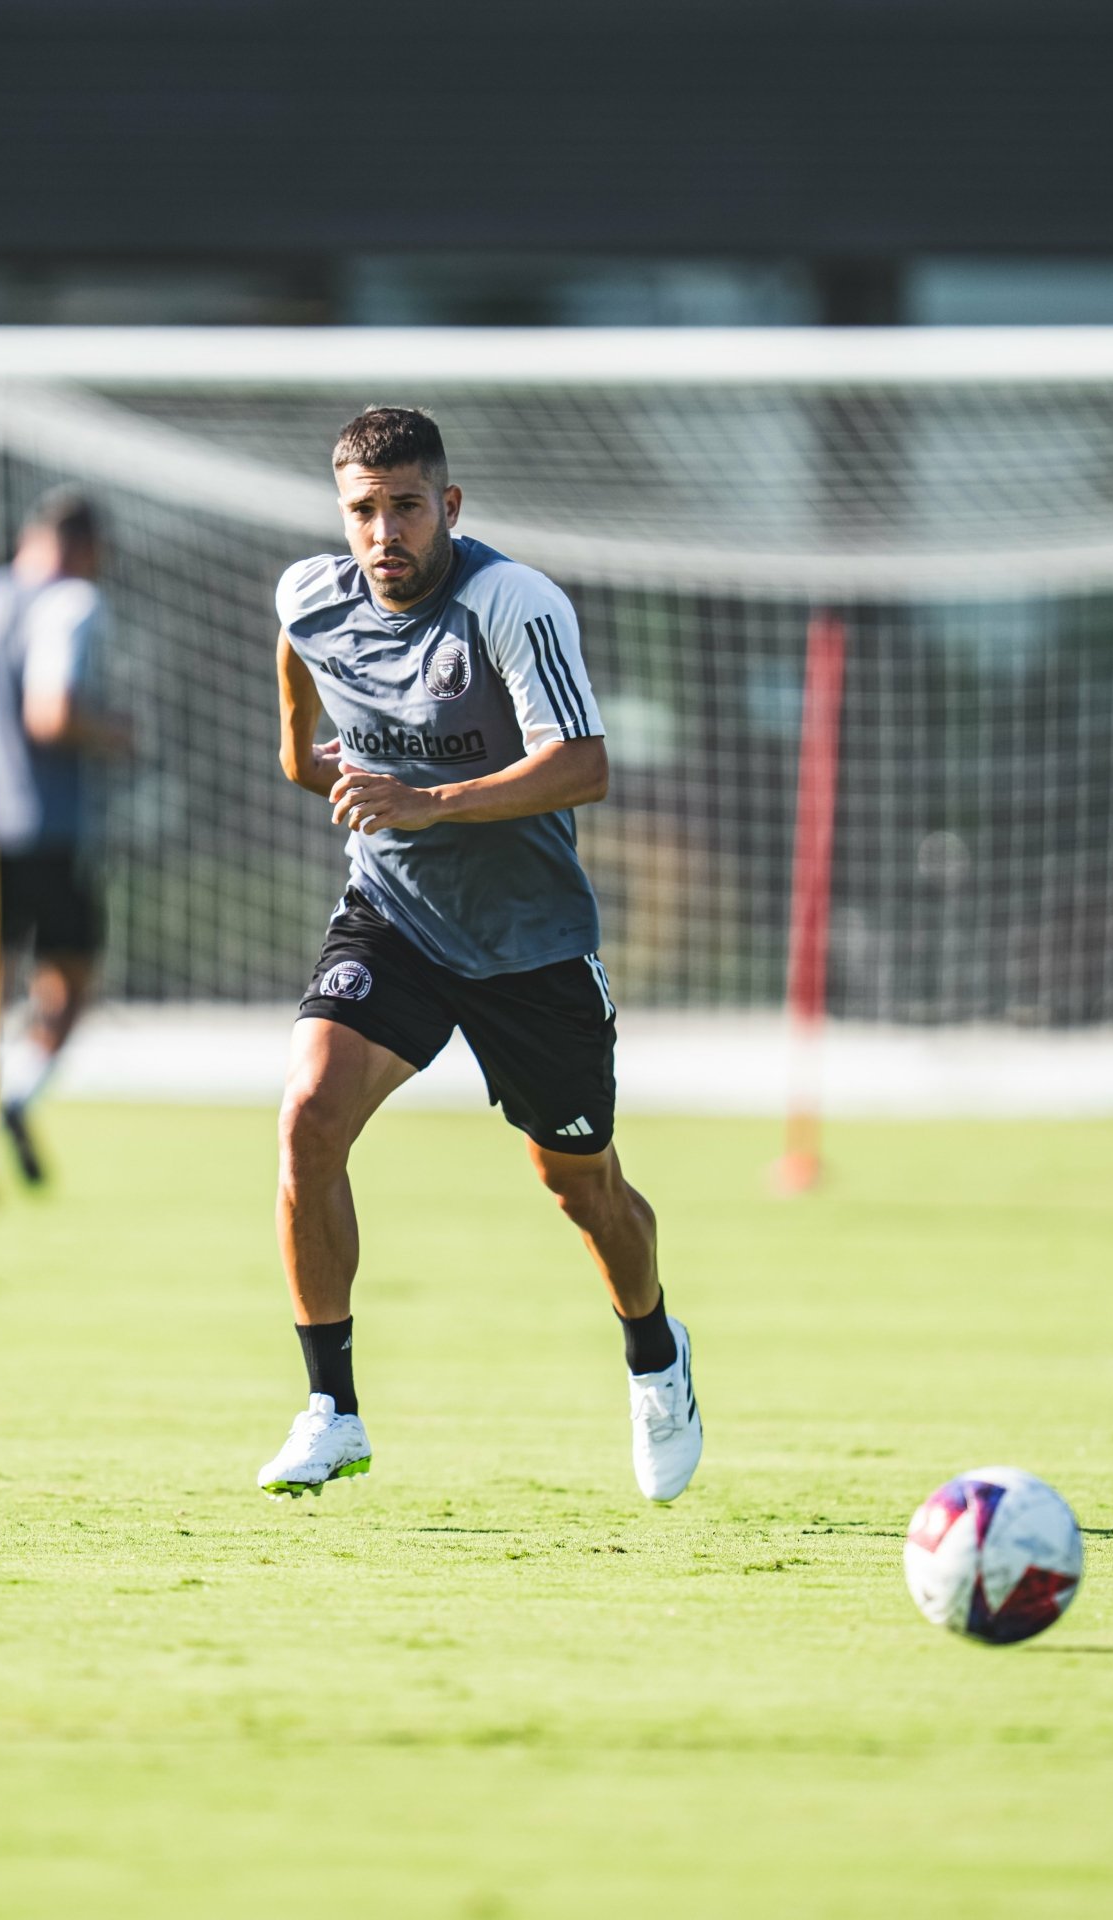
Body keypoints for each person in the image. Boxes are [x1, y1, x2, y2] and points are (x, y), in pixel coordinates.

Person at [257, 405, 701, 1506]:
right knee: (309, 1116)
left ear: (447, 506)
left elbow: (583, 764)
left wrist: (427, 800)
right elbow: (300, 740)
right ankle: (332, 1408)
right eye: (364, 510)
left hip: (529, 945)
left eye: (406, 506)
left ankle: (655, 1354)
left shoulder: (512, 603)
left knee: (580, 1186)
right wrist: (345, 783)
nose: (384, 532)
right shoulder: (309, 600)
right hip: (394, 917)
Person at [0, 488, 123, 1189]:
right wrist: (114, 731)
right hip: (47, 829)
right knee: (72, 982)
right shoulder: (72, 603)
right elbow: (51, 712)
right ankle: (16, 1096)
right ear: (87, 548)